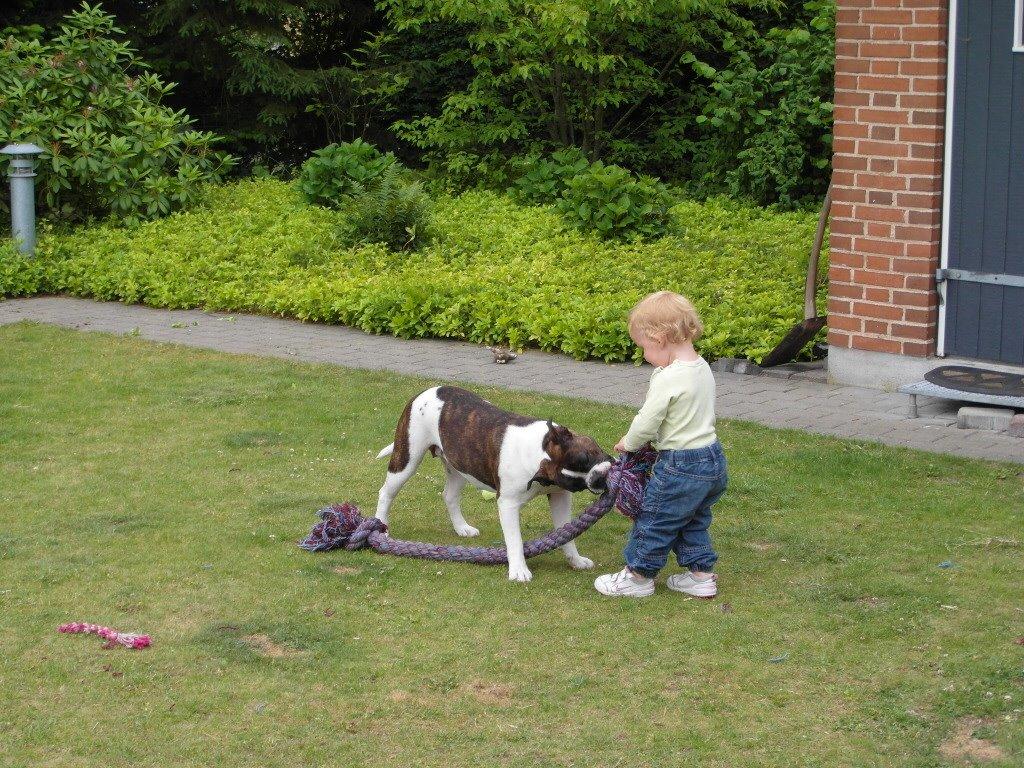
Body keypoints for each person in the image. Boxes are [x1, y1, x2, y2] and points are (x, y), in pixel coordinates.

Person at [594, 291, 727, 598]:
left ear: (660, 338)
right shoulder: (701, 367)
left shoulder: (670, 377)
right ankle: (701, 576)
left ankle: (637, 577)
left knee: (654, 518)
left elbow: (648, 420)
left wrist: (630, 442)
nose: (643, 355)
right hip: (711, 460)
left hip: (682, 466)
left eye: (644, 347)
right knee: (691, 518)